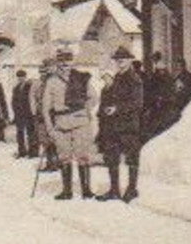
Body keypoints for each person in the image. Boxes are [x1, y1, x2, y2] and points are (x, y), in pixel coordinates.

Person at [39, 48, 98, 200]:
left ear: (72, 63)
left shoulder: (81, 78)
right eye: (62, 62)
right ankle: (67, 191)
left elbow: (93, 98)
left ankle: (86, 190)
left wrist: (82, 106)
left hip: (80, 123)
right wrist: (50, 129)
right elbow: (45, 109)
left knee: (83, 155)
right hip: (61, 124)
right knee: (64, 157)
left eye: (68, 62)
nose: (65, 65)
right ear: (58, 63)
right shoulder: (51, 81)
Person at [96, 46, 144, 202]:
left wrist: (117, 109)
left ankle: (132, 189)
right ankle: (114, 190)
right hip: (113, 126)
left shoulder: (134, 79)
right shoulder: (117, 78)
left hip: (129, 126)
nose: (120, 62)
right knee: (112, 158)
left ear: (130, 61)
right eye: (117, 60)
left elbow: (137, 103)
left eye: (123, 59)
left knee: (131, 158)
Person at [10, 69, 37, 158]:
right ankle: (22, 151)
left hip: (29, 114)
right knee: (20, 133)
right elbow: (13, 101)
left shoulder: (30, 86)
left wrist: (33, 112)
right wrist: (15, 112)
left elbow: (33, 99)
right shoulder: (16, 88)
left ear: (25, 77)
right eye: (19, 77)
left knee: (31, 133)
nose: (21, 79)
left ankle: (32, 152)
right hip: (19, 115)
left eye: (22, 77)